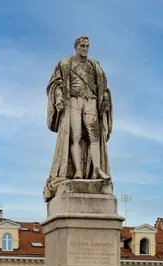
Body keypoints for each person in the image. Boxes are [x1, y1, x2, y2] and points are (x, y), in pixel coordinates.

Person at [43, 35, 113, 201]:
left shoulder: (95, 65)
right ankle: (78, 171)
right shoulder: (66, 62)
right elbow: (57, 83)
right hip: (73, 100)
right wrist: (59, 98)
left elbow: (103, 87)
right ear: (76, 47)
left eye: (87, 46)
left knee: (94, 136)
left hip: (91, 101)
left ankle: (96, 168)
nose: (85, 49)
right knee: (74, 136)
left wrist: (105, 101)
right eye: (82, 46)